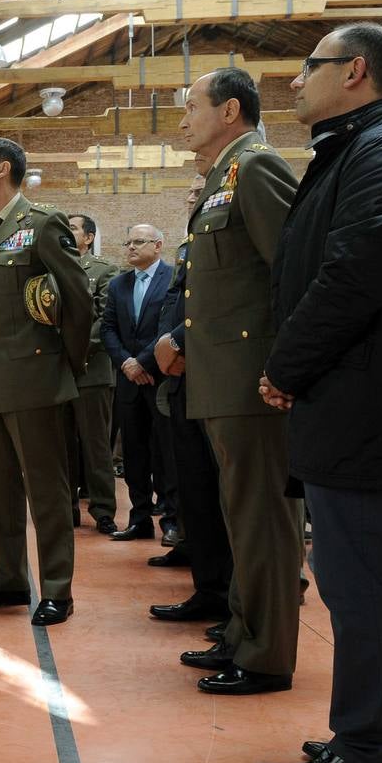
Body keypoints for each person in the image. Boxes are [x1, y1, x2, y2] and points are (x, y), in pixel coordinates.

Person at [254, 23, 382, 763]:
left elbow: (351, 278)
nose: (295, 80)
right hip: (365, 400)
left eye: (309, 66)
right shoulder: (366, 148)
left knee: (361, 587)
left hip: (370, 405)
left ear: (355, 72)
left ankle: (368, 750)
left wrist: (286, 367)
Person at [170, 68, 304, 696]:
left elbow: (293, 273)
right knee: (240, 516)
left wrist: (287, 366)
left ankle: (267, 655)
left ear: (229, 110)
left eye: (191, 106)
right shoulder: (222, 176)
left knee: (263, 520)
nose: (182, 120)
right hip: (224, 379)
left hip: (254, 380)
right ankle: (242, 632)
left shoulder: (256, 166)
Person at [0, 136, 91, 625]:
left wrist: (64, 366)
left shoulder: (42, 224)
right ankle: (8, 577)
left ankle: (56, 588)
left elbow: (78, 300)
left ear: (2, 170)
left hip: (36, 379)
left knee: (47, 492)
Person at [147, 167, 235, 636]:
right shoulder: (190, 246)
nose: (194, 198)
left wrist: (179, 342)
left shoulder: (228, 237)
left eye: (203, 191)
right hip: (183, 377)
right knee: (197, 493)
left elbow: (227, 300)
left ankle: (242, 601)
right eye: (192, 192)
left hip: (217, 373)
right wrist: (163, 348)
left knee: (230, 497)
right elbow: (174, 305)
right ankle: (210, 589)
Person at [100, 225, 179, 543]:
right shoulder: (119, 283)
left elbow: (169, 326)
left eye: (139, 241)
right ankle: (139, 518)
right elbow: (108, 328)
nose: (131, 247)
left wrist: (143, 362)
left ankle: (171, 520)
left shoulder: (172, 278)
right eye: (128, 241)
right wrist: (126, 363)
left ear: (158, 245)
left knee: (166, 452)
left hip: (161, 378)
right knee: (134, 453)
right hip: (129, 381)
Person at [65, 214, 120, 535]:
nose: (66, 232)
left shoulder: (103, 270)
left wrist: (75, 350)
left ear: (88, 237)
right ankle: (67, 508)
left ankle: (103, 509)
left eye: (72, 228)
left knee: (96, 445)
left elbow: (104, 318)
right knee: (62, 445)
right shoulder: (50, 270)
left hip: (90, 369)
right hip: (56, 372)